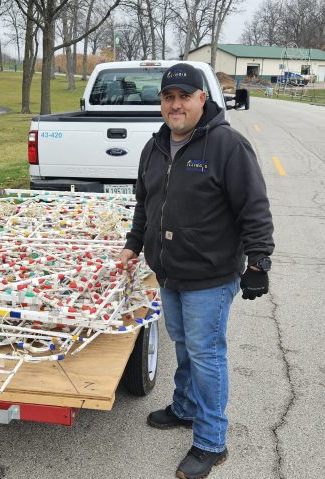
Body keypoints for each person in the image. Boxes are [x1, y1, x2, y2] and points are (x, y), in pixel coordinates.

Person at [119, 63, 274, 479]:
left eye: (184, 97)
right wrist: (134, 245)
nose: (175, 105)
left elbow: (254, 208)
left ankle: (210, 441)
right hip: (168, 272)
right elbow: (144, 204)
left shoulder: (227, 146)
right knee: (184, 343)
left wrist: (259, 262)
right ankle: (185, 408)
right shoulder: (154, 148)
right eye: (168, 98)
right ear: (161, 103)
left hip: (210, 275)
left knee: (206, 355)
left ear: (202, 100)